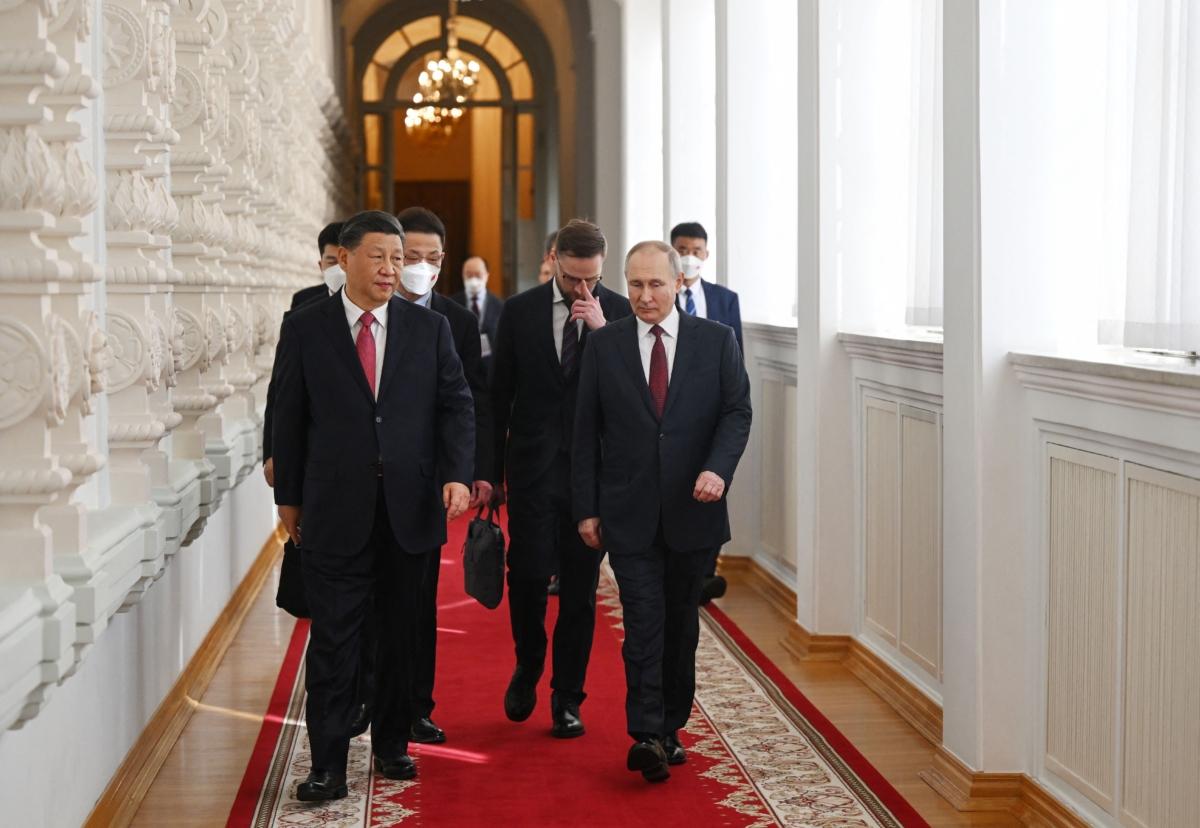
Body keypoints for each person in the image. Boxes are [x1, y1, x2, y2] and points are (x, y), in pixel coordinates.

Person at [271, 210, 474, 801]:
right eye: (380, 256)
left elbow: (456, 405)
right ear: (347, 258)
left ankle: (391, 745)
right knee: (335, 638)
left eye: (399, 258)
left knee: (399, 634)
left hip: (409, 509)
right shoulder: (307, 327)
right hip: (334, 507)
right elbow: (289, 414)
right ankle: (327, 764)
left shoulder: (427, 329)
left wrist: (458, 473)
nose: (393, 268)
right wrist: (289, 501)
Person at [572, 240, 751, 783]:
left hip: (693, 513)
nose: (644, 296)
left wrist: (718, 470)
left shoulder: (716, 341)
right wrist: (587, 509)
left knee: (680, 627)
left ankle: (671, 726)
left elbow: (737, 412)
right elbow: (585, 433)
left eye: (654, 284)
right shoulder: (605, 347)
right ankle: (646, 732)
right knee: (643, 622)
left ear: (677, 284)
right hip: (628, 514)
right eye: (634, 284)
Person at [345, 206, 493, 746]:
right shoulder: (341, 316)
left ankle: (414, 706)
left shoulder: (452, 321)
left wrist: (472, 470)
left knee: (415, 601)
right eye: (412, 257)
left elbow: (471, 399)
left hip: (425, 483)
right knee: (358, 602)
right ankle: (365, 694)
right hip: (357, 480)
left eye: (432, 259)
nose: (418, 268)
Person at [491, 219, 633, 738]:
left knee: (580, 588)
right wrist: (489, 473)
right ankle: (529, 663)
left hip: (591, 477)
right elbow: (497, 396)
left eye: (592, 279)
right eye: (573, 278)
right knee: (526, 576)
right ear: (554, 259)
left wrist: (604, 334)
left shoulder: (618, 314)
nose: (582, 289)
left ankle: (567, 696)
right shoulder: (519, 311)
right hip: (531, 469)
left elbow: (634, 397)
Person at [669, 221, 745, 603]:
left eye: (697, 250)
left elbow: (737, 358)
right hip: (673, 413)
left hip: (714, 411)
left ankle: (705, 571)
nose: (690, 256)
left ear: (707, 254)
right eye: (682, 249)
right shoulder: (663, 297)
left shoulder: (725, 299)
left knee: (713, 487)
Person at [263, 221, 344, 488]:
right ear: (320, 264)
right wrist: (272, 452)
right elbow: (280, 389)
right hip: (313, 446)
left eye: (344, 260)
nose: (339, 269)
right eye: (331, 261)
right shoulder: (302, 308)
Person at [451, 255, 504, 378]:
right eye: (469, 275)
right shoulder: (451, 304)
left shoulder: (501, 307)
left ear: (487, 275)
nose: (473, 279)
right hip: (460, 373)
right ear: (462, 275)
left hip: (490, 375)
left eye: (478, 275)